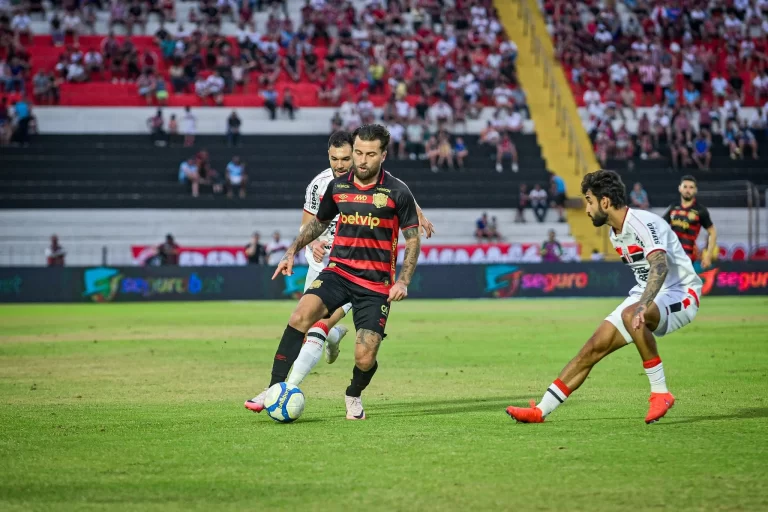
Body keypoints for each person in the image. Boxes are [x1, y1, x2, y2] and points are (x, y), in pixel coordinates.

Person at [244, 124, 424, 420]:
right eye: (358, 152)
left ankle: (353, 393)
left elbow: (412, 239)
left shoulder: (397, 191)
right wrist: (291, 251)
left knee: (365, 356)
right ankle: (274, 387)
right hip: (338, 272)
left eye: (369, 154)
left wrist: (403, 281)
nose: (362, 160)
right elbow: (317, 223)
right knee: (300, 315)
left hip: (375, 284)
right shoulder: (337, 186)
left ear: (383, 155)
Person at [507, 170, 702, 424]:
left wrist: (642, 306)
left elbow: (660, 266)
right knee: (592, 348)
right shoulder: (614, 233)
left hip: (681, 293)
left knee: (631, 314)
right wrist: (641, 302)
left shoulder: (642, 223)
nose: (586, 208)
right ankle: (541, 410)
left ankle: (660, 393)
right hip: (647, 294)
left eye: (589, 200)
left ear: (605, 202)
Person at [662, 176, 717, 269]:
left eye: (691, 187)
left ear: (695, 190)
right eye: (685, 187)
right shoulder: (673, 207)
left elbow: (712, 232)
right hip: (670, 254)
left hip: (687, 257)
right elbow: (660, 226)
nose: (688, 190)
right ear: (680, 188)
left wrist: (708, 255)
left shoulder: (700, 210)